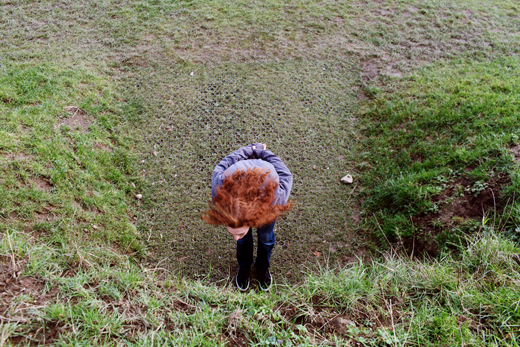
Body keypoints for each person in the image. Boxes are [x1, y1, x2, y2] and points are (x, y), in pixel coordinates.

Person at [202, 144, 293, 291]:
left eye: (239, 233)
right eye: (233, 232)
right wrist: (248, 150)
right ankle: (245, 267)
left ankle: (262, 267)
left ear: (252, 220)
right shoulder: (219, 192)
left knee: (266, 237)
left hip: (266, 199)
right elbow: (222, 165)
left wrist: (262, 153)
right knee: (243, 241)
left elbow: (286, 175)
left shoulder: (276, 198)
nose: (235, 238)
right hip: (239, 177)